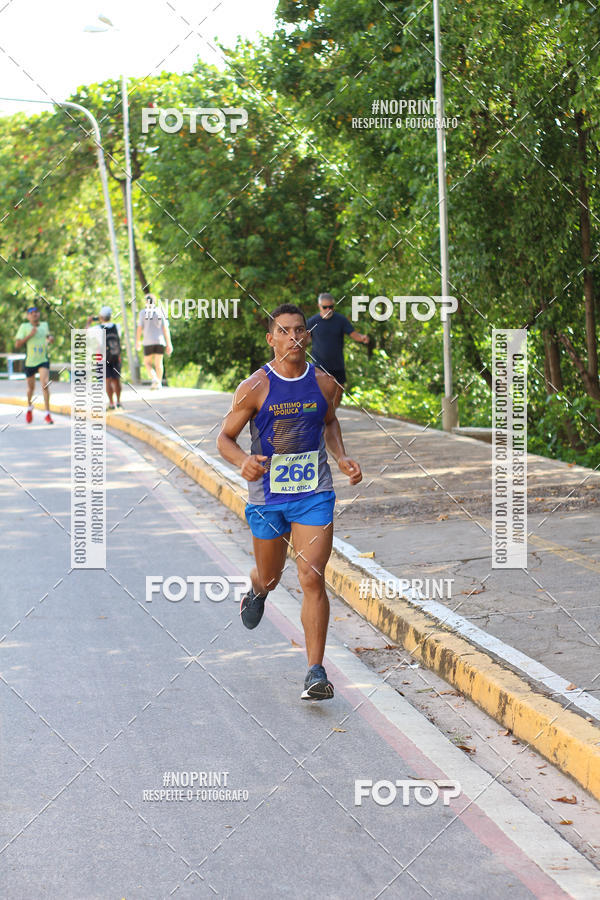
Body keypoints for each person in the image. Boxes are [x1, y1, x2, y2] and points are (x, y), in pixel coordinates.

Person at [217, 303, 362, 701]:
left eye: (300, 330)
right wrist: (243, 461)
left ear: (308, 336)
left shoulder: (325, 383)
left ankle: (315, 671)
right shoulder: (255, 387)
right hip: (268, 498)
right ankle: (257, 591)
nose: (294, 337)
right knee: (271, 577)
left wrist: (341, 456)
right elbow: (224, 438)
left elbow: (329, 422)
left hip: (314, 494)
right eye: (285, 331)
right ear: (271, 338)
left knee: (312, 577)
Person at [306, 292, 369, 407]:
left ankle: (331, 415)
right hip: (319, 365)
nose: (328, 309)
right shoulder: (313, 322)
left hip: (337, 364)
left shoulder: (340, 320)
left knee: (338, 393)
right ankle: (314, 417)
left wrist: (362, 338)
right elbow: (306, 339)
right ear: (319, 306)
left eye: (331, 307)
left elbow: (353, 334)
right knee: (317, 393)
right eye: (325, 307)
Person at [14, 304, 54, 424]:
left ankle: (47, 414)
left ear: (39, 314)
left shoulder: (45, 325)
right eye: (31, 312)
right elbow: (17, 344)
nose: (34, 314)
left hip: (43, 360)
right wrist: (30, 335)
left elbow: (47, 338)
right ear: (28, 316)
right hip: (30, 362)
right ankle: (29, 407)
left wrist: (50, 339)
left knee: (45, 384)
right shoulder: (24, 327)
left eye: (36, 311)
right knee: (31, 388)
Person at [86, 306, 122, 410]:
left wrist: (89, 322)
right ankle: (118, 401)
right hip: (116, 356)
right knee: (116, 380)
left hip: (102, 357)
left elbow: (85, 333)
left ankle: (111, 403)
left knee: (108, 380)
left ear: (101, 316)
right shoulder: (117, 326)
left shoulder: (97, 329)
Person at [136, 294, 172, 389]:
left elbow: (139, 328)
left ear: (146, 302)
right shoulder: (160, 312)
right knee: (159, 363)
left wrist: (137, 341)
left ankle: (155, 378)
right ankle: (158, 383)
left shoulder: (143, 313)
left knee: (147, 363)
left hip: (148, 342)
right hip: (160, 341)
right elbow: (165, 329)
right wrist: (169, 343)